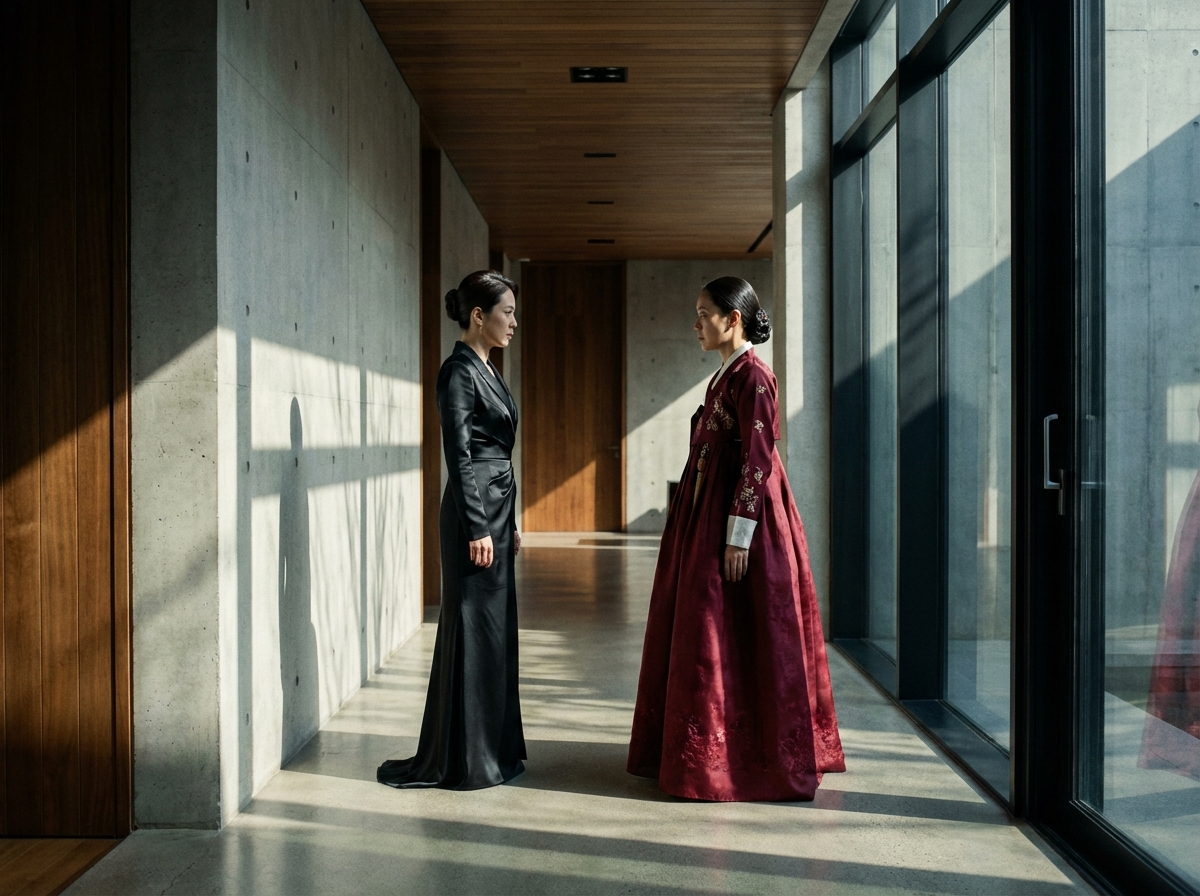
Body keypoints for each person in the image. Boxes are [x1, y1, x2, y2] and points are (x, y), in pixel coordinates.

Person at [627, 276, 845, 801]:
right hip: (709, 512)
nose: (696, 323)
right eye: (697, 313)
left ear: (734, 319)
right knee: (707, 627)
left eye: (704, 313)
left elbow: (757, 460)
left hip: (741, 519)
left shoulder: (755, 377)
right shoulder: (726, 375)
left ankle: (750, 758)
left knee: (738, 629)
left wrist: (739, 537)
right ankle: (711, 750)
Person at [378, 270, 526, 789]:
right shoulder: (457, 372)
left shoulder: (487, 367)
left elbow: (501, 451)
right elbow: (458, 456)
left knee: (496, 629)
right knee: (472, 628)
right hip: (475, 514)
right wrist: (478, 527)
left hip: (497, 510)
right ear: (479, 316)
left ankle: (495, 749)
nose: (513, 322)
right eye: (506, 312)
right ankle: (466, 758)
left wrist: (513, 520)